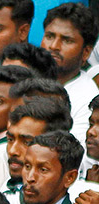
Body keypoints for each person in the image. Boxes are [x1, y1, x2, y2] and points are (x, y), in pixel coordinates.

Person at [42, 3, 98, 145]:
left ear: (86, 52)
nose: (54, 46)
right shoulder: (28, 78)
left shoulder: (87, 99)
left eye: (66, 40)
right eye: (49, 36)